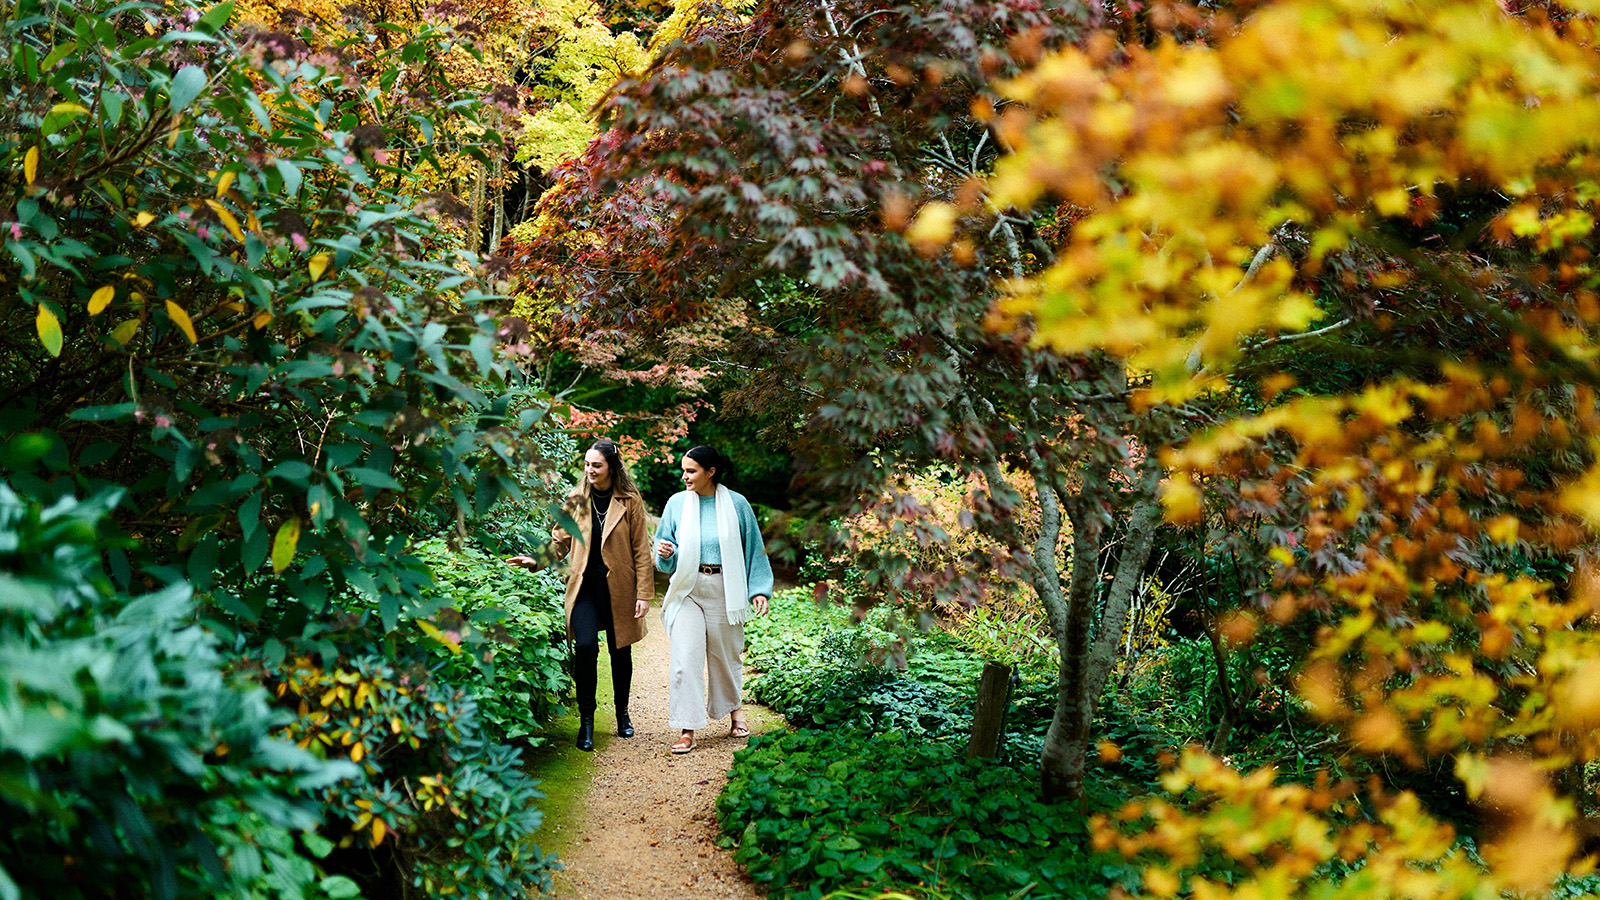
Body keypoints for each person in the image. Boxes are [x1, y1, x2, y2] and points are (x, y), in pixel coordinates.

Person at [507, 439, 651, 751]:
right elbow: (559, 543)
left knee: (620, 651)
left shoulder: (630, 500)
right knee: (585, 648)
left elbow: (642, 550)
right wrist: (537, 559)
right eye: (586, 464)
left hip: (620, 589)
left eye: (596, 465)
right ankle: (586, 720)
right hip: (584, 587)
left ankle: (622, 714)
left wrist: (643, 594)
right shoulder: (576, 500)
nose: (589, 470)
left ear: (611, 467)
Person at [653, 445, 773, 754]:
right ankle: (687, 728)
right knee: (685, 658)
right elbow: (664, 552)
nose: (685, 476)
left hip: (724, 588)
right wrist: (666, 554)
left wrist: (758, 588)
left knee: (725, 656)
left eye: (691, 471)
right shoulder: (677, 504)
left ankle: (735, 711)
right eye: (683, 470)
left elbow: (753, 549)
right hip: (687, 587)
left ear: (711, 472)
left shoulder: (737, 504)